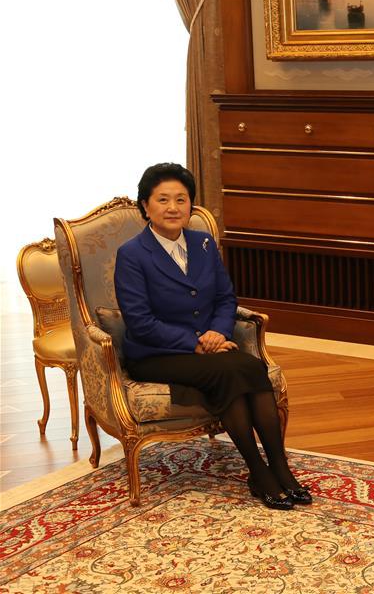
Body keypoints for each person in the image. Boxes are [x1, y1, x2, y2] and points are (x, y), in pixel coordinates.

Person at [115, 162, 312, 511]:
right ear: (145, 206)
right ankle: (260, 471)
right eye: (163, 199)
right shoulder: (132, 254)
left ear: (191, 204)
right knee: (235, 371)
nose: (173, 207)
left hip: (211, 344)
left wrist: (218, 333)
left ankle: (276, 466)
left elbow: (225, 298)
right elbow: (140, 321)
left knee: (247, 368)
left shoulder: (203, 243)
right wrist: (196, 341)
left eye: (181, 199)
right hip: (155, 353)